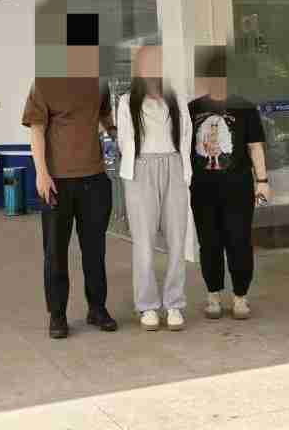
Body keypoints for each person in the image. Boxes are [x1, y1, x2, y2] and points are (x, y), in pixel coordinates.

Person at [22, 11, 118, 340]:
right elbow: (36, 129)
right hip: (57, 181)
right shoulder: (45, 81)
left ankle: (97, 308)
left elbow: (105, 116)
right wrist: (41, 173)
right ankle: (58, 314)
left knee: (95, 250)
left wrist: (119, 135)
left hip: (94, 179)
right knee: (55, 252)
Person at [188, 47, 270, 321]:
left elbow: (255, 146)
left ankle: (240, 297)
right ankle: (213, 296)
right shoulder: (193, 109)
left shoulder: (245, 107)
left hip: (238, 188)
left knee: (239, 240)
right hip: (202, 189)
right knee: (209, 242)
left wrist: (262, 181)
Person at [116, 45, 191, 332]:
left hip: (173, 166)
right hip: (141, 169)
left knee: (177, 240)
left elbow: (186, 136)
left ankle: (174, 303)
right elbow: (124, 141)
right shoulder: (127, 102)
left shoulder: (176, 99)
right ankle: (147, 306)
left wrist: (182, 171)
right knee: (144, 243)